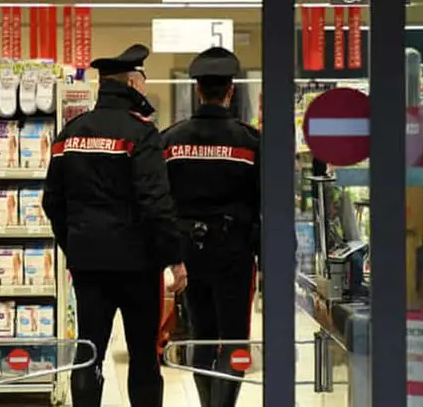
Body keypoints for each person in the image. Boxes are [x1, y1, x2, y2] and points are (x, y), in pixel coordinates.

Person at [42, 43, 188, 407]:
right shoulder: (141, 132)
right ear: (133, 84)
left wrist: (74, 244)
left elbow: (52, 201)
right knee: (143, 355)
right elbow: (155, 202)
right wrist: (174, 258)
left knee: (88, 353)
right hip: (138, 266)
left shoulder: (70, 133)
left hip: (88, 264)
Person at [161, 47, 260, 407]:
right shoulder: (250, 142)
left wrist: (170, 253)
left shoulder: (171, 140)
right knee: (234, 340)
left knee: (201, 336)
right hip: (234, 254)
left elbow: (160, 200)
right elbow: (263, 203)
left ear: (197, 91)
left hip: (189, 252)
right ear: (231, 91)